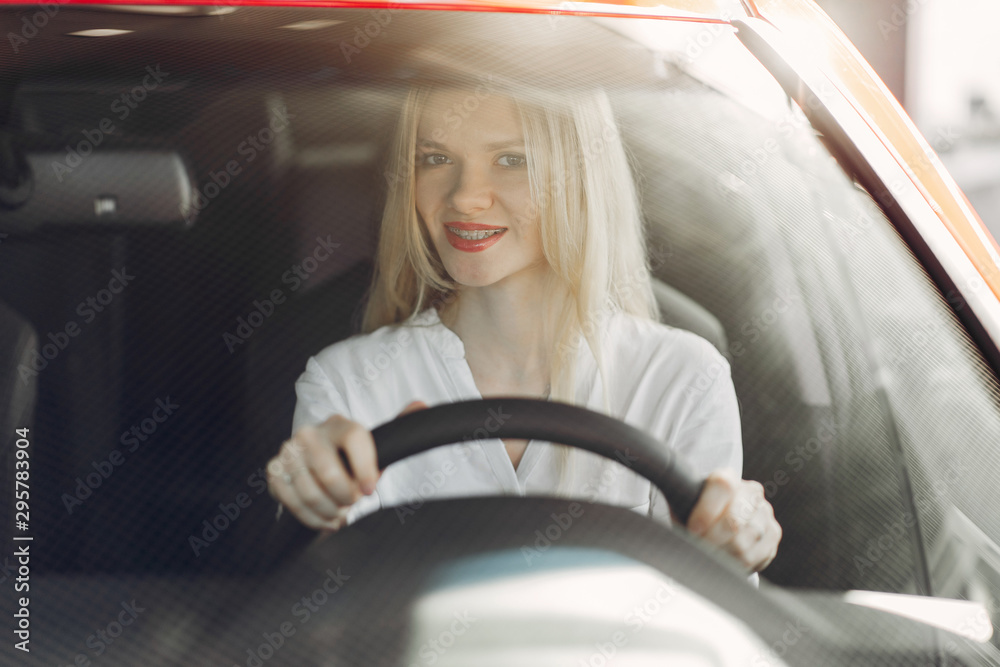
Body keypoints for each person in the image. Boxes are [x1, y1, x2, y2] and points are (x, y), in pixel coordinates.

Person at [266, 83, 781, 574]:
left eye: (512, 160)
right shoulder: (347, 383)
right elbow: (321, 610)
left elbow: (707, 611)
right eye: (435, 158)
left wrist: (731, 542)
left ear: (579, 176)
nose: (465, 197)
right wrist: (314, 508)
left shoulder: (683, 377)